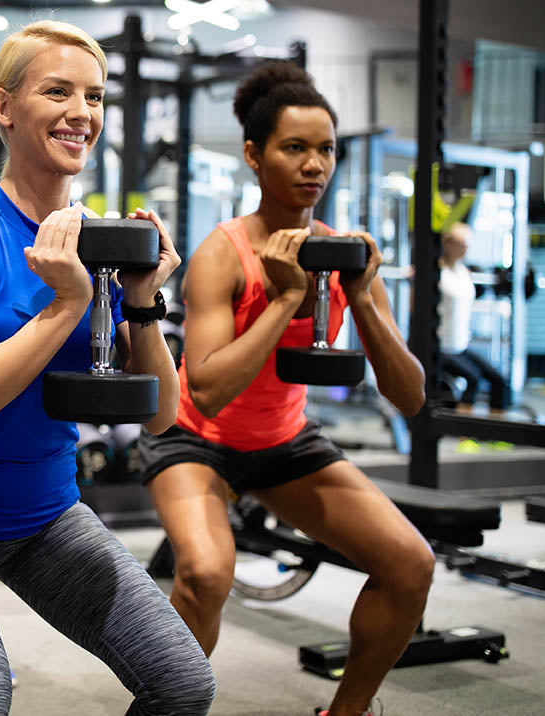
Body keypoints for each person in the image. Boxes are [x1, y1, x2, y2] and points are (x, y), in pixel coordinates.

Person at [0, 20, 215, 716]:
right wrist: (66, 305)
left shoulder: (105, 240)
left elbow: (161, 415)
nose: (81, 112)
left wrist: (142, 303)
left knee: (184, 683)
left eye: (94, 95)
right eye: (57, 91)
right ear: (4, 106)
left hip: (47, 513)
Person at [141, 62, 431, 716]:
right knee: (207, 574)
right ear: (254, 154)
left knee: (410, 564)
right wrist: (286, 301)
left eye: (325, 149)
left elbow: (411, 398)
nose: (314, 165)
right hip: (195, 442)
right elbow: (208, 392)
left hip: (285, 442)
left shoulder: (344, 253)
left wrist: (363, 302)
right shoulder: (223, 253)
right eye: (294, 147)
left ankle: (346, 713)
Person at [437, 221, 509, 413]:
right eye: (461, 243)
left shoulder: (463, 272)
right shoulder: (437, 273)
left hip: (461, 344)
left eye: (468, 244)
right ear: (448, 243)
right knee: (473, 378)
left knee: (499, 380)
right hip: (442, 347)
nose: (465, 248)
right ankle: (464, 435)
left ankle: (497, 436)